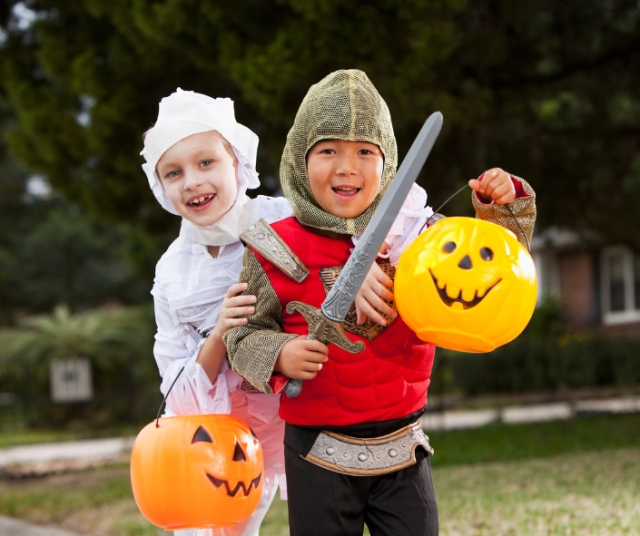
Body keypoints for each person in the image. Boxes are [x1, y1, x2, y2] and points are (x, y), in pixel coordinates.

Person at [224, 69, 536, 536]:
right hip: (316, 450)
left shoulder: (416, 236)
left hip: (402, 444)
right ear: (298, 158)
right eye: (329, 150)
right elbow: (241, 336)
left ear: (387, 162)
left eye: (365, 153)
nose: (347, 167)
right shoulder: (274, 247)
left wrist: (500, 208)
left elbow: (489, 272)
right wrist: (282, 354)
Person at [141, 88, 295, 536]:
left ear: (238, 163)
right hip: (222, 441)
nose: (191, 181)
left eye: (205, 162)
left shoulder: (283, 222)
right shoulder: (172, 272)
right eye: (173, 172)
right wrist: (218, 335)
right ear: (160, 186)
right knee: (211, 529)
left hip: (307, 414)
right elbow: (177, 391)